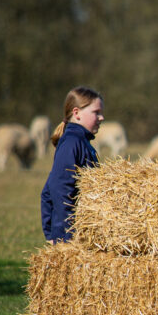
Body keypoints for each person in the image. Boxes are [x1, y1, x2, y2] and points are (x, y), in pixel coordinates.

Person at [40, 87, 104, 243]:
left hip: (81, 235)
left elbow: (48, 191)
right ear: (77, 113)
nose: (101, 117)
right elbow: (57, 189)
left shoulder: (83, 143)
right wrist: (66, 234)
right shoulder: (71, 143)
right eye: (96, 112)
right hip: (70, 237)